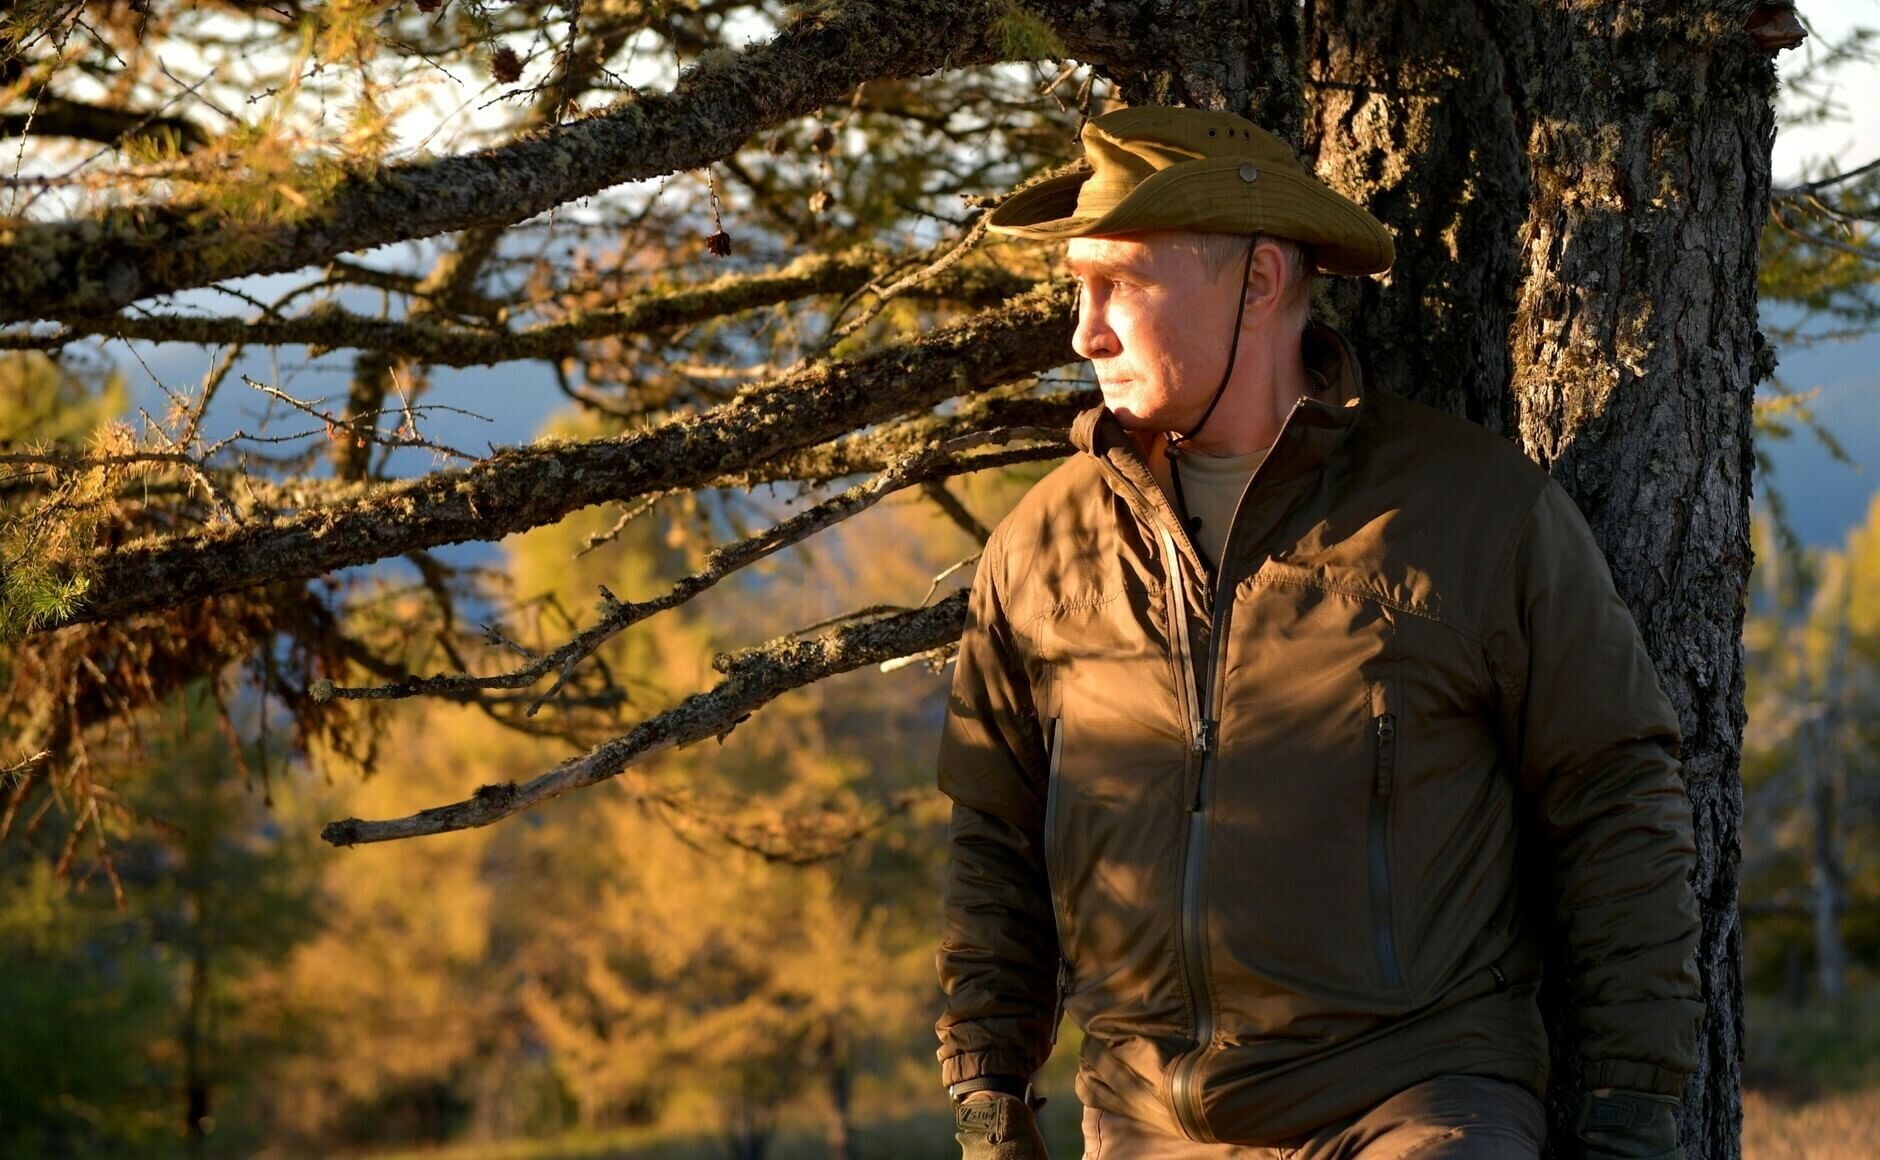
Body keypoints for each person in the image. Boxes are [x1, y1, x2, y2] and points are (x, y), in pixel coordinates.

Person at [932, 106, 1702, 1160]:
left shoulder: (1469, 514)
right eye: (1078, 285)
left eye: (1120, 282)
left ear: (1257, 283)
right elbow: (992, 834)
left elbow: (1614, 796)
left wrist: (1632, 1109)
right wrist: (987, 1101)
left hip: (1415, 1104)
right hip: (1144, 1123)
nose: (1085, 330)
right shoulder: (1043, 546)